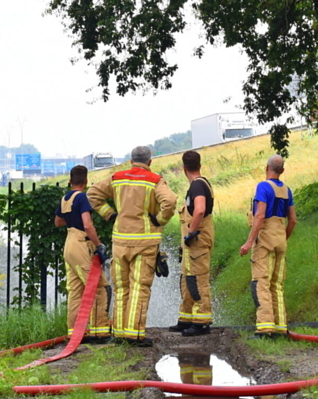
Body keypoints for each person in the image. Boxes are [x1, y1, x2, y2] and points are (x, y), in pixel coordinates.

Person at [88, 146, 176, 346]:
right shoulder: (154, 180)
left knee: (121, 287)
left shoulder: (116, 178)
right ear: (149, 162)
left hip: (120, 240)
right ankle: (134, 334)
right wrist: (159, 220)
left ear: (131, 160)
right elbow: (169, 201)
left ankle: (119, 333)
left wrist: (110, 214)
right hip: (144, 242)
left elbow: (92, 194)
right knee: (140, 287)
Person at [239, 154, 297, 337]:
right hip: (280, 239)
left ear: (267, 168)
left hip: (265, 241)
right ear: (282, 171)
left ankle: (265, 328)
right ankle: (280, 327)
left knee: (261, 283)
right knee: (277, 285)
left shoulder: (263, 187)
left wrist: (249, 242)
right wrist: (282, 238)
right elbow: (293, 220)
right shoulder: (287, 190)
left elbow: (260, 215)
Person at [54, 165, 111, 342]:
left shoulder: (65, 198)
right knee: (98, 286)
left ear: (70, 180)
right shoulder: (83, 198)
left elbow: (58, 222)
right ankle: (98, 331)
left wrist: (72, 219)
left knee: (75, 290)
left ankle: (74, 331)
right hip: (80, 243)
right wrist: (98, 244)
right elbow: (87, 225)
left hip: (69, 243)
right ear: (85, 182)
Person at [169, 150, 215, 337]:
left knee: (198, 281)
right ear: (200, 165)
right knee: (187, 280)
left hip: (197, 241)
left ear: (183, 168)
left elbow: (200, 210)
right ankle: (186, 319)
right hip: (191, 245)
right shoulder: (199, 184)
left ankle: (201, 322)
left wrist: (190, 232)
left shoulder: (197, 186)